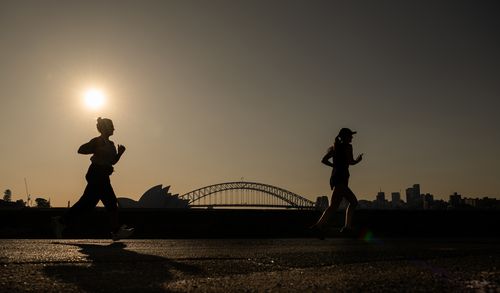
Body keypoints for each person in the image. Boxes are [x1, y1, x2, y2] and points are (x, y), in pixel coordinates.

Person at [52, 117, 134, 241]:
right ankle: (116, 231)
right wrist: (96, 148)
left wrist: (120, 153)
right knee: (110, 201)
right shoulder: (97, 141)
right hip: (96, 173)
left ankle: (61, 221)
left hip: (103, 175)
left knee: (87, 204)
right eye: (111, 126)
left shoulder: (111, 144)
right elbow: (81, 150)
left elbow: (112, 161)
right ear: (105, 128)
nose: (114, 129)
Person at [311, 128, 363, 237]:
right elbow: (351, 162)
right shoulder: (348, 147)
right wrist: (358, 160)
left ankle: (318, 226)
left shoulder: (335, 147)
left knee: (333, 206)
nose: (352, 137)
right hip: (342, 178)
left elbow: (324, 160)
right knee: (353, 202)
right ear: (345, 137)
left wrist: (334, 166)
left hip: (335, 178)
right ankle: (347, 227)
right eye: (350, 135)